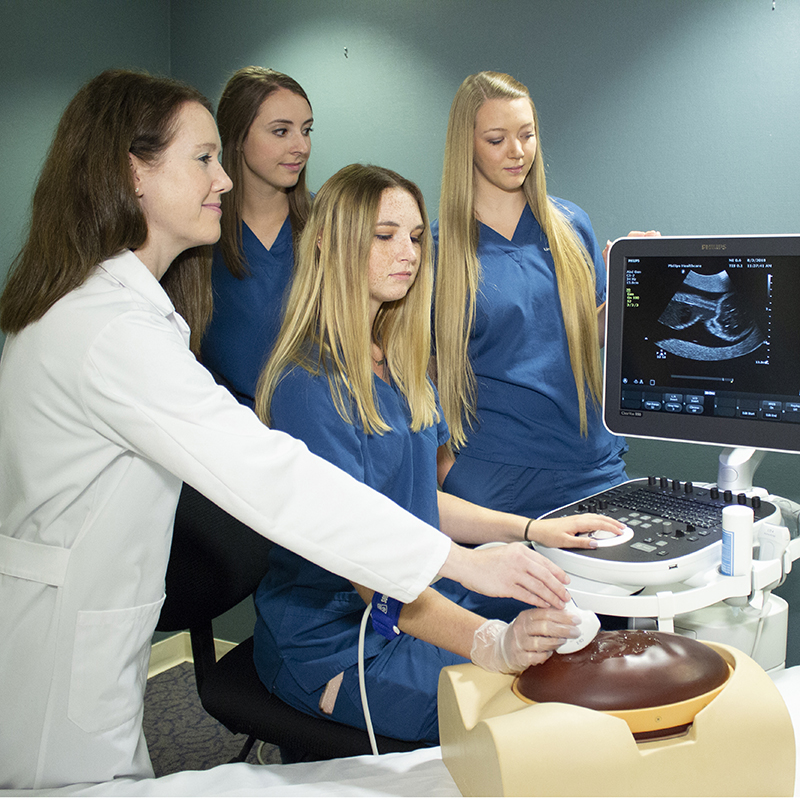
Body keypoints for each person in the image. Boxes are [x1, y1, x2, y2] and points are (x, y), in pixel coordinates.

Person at [0, 71, 575, 791]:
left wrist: (506, 547)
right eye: (204, 158)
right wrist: (460, 569)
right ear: (133, 173)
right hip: (69, 649)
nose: (223, 179)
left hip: (95, 628)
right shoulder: (108, 332)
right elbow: (277, 479)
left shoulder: (126, 314)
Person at [252, 163, 625, 748]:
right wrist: (492, 643)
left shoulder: (395, 362)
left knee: (568, 654)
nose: (408, 253)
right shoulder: (308, 386)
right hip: (340, 639)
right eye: (385, 236)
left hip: (410, 603)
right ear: (330, 241)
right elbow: (365, 568)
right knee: (532, 712)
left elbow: (417, 502)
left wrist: (534, 529)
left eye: (417, 237)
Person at [433, 71, 634, 520]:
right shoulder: (436, 249)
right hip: (494, 474)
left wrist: (631, 284)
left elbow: (588, 333)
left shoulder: (569, 224)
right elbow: (420, 372)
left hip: (588, 462)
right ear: (466, 143)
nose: (517, 151)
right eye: (496, 138)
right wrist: (447, 469)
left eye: (527, 134)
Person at [201, 66, 312, 406]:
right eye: (281, 131)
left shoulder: (327, 226)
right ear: (236, 138)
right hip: (225, 432)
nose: (301, 147)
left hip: (314, 430)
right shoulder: (198, 236)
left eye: (306, 131)